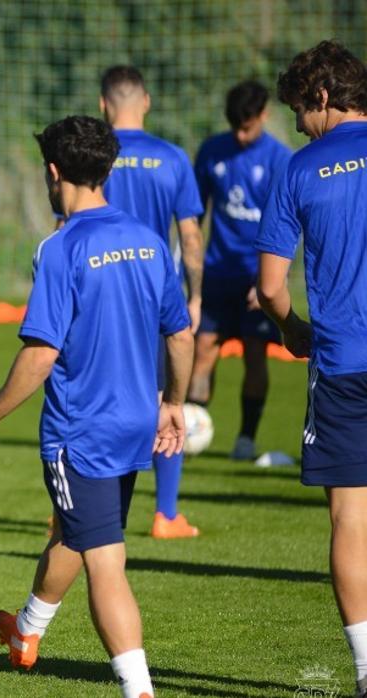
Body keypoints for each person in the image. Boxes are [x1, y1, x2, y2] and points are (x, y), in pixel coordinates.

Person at [0, 115, 193, 698]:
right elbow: (181, 336)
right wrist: (175, 403)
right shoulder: (149, 240)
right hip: (135, 424)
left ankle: (138, 689)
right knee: (80, 530)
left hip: (80, 434)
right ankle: (26, 633)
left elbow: (41, 354)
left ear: (54, 172)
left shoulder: (61, 248)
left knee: (104, 560)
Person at [255, 40, 367, 698]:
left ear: (322, 98)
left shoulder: (298, 170)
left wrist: (289, 329)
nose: (296, 123)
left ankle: (365, 667)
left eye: (299, 108)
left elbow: (269, 285)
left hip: (342, 362)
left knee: (349, 519)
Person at [100, 65, 205, 539]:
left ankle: (74, 504)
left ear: (105, 105)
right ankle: (165, 514)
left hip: (100, 293)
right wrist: (196, 294)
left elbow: (66, 227)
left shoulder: (93, 155)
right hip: (156, 291)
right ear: (146, 101)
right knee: (166, 398)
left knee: (93, 394)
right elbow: (190, 234)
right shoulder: (173, 157)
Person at [190, 80, 292, 461]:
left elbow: (286, 225)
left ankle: (246, 438)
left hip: (256, 276)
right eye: (234, 125)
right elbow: (194, 217)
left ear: (263, 115)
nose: (239, 133)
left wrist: (269, 280)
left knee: (254, 354)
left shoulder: (280, 159)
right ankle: (190, 428)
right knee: (202, 349)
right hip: (216, 273)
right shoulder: (213, 151)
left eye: (246, 126)